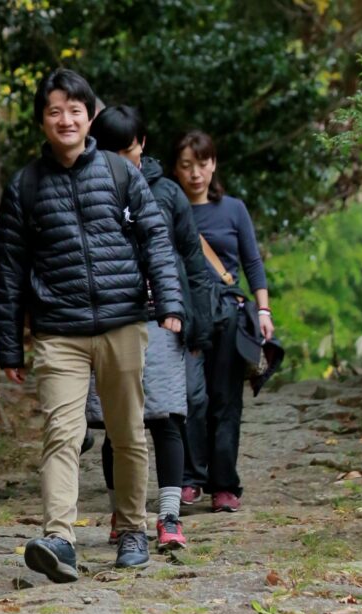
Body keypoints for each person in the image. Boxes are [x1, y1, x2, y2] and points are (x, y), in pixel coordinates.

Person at [0, 68, 184, 580]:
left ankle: (132, 530)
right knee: (62, 433)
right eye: (54, 111)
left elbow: (155, 240)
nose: (65, 119)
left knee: (128, 433)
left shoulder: (122, 175)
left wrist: (170, 301)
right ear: (42, 121)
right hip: (59, 331)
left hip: (123, 322)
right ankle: (60, 538)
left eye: (74, 110)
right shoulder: (25, 186)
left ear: (89, 117)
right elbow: (9, 269)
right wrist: (9, 346)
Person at [85, 105, 215, 551]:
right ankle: (125, 516)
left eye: (130, 148)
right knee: (117, 423)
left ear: (142, 144)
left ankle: (170, 517)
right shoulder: (83, 187)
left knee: (166, 417)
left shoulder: (167, 192)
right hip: (107, 318)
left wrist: (197, 323)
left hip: (163, 317)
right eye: (113, 150)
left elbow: (192, 263)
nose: (124, 158)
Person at [171, 129, 274, 513]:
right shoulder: (171, 210)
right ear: (176, 170)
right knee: (188, 399)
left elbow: (252, 262)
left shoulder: (234, 209)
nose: (195, 173)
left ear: (213, 164)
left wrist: (263, 311)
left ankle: (224, 484)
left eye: (202, 164)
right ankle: (189, 479)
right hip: (186, 316)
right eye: (186, 166)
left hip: (228, 314)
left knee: (225, 400)